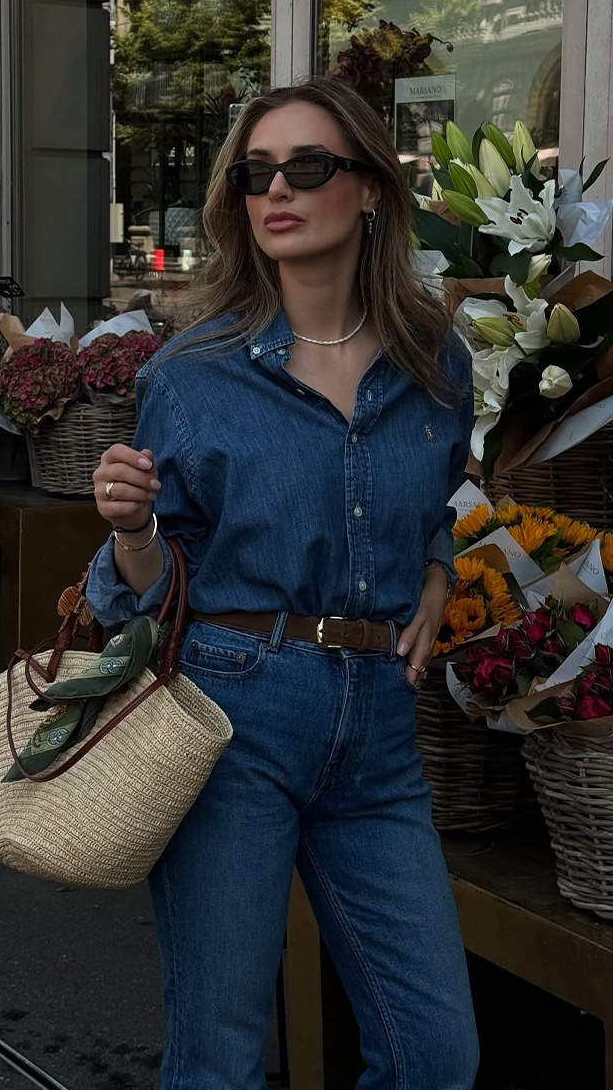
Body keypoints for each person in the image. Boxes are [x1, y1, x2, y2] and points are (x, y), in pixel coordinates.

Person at [85, 77, 478, 1090]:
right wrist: (132, 533)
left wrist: (436, 571)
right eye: (258, 173)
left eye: (308, 166)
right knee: (220, 1055)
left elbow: (433, 500)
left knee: (436, 1054)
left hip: (380, 729)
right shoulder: (191, 374)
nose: (278, 191)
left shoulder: (437, 360)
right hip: (234, 710)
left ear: (373, 189)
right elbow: (139, 592)